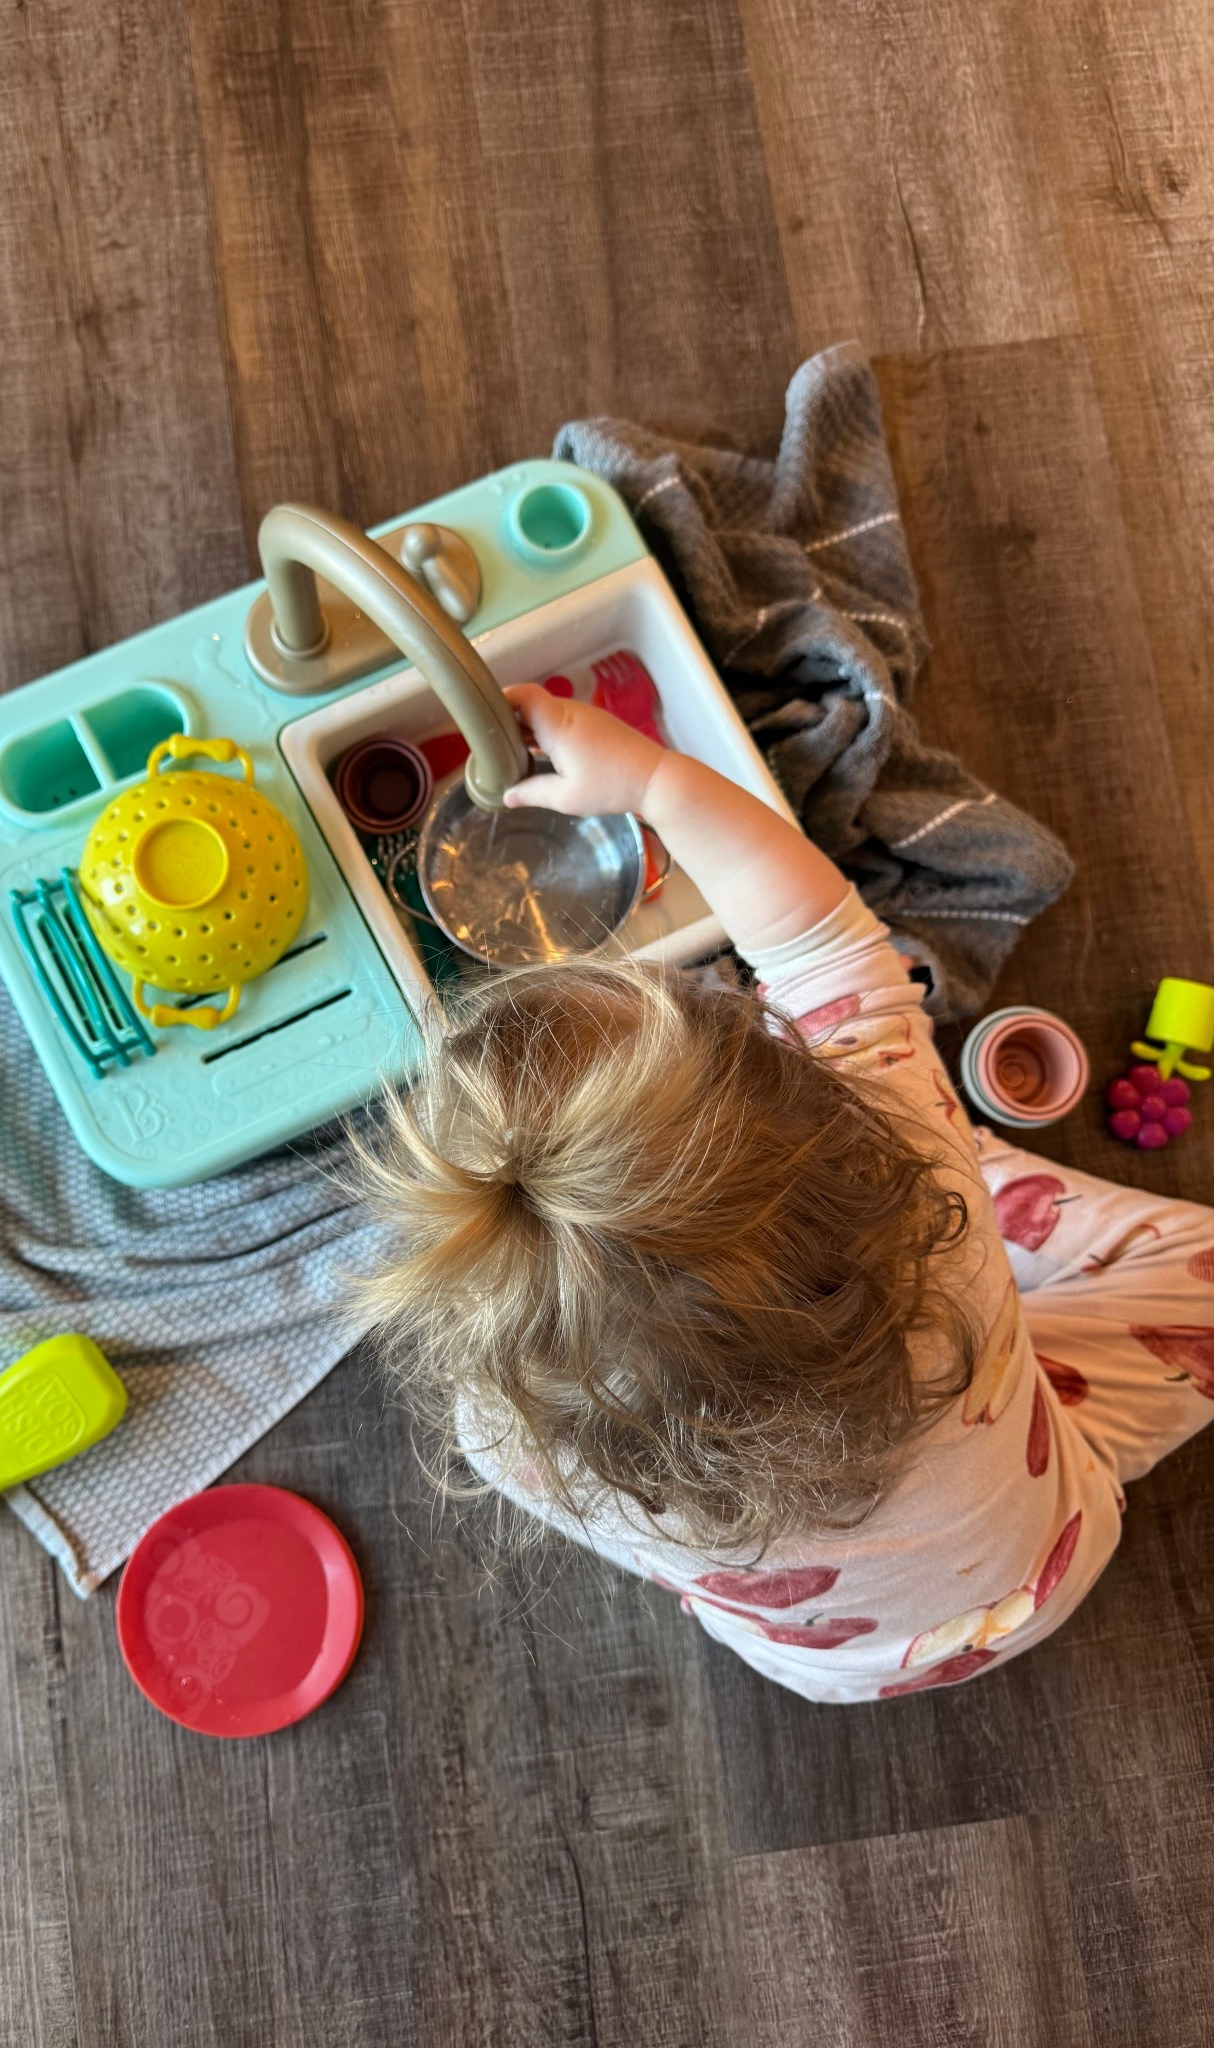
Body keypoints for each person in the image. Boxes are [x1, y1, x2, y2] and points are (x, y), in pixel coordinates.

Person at [350, 684, 1214, 1703]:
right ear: (860, 1158)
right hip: (1055, 1543)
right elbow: (817, 933)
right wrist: (651, 779)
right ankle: (982, 1172)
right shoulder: (919, 1174)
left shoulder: (510, 1439)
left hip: (836, 1665)